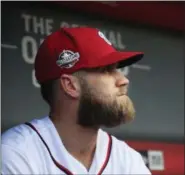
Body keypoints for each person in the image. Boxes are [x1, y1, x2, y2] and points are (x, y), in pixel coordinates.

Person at [2, 27, 151, 174]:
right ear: (70, 85)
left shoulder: (127, 159)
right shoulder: (17, 154)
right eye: (106, 70)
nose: (124, 80)